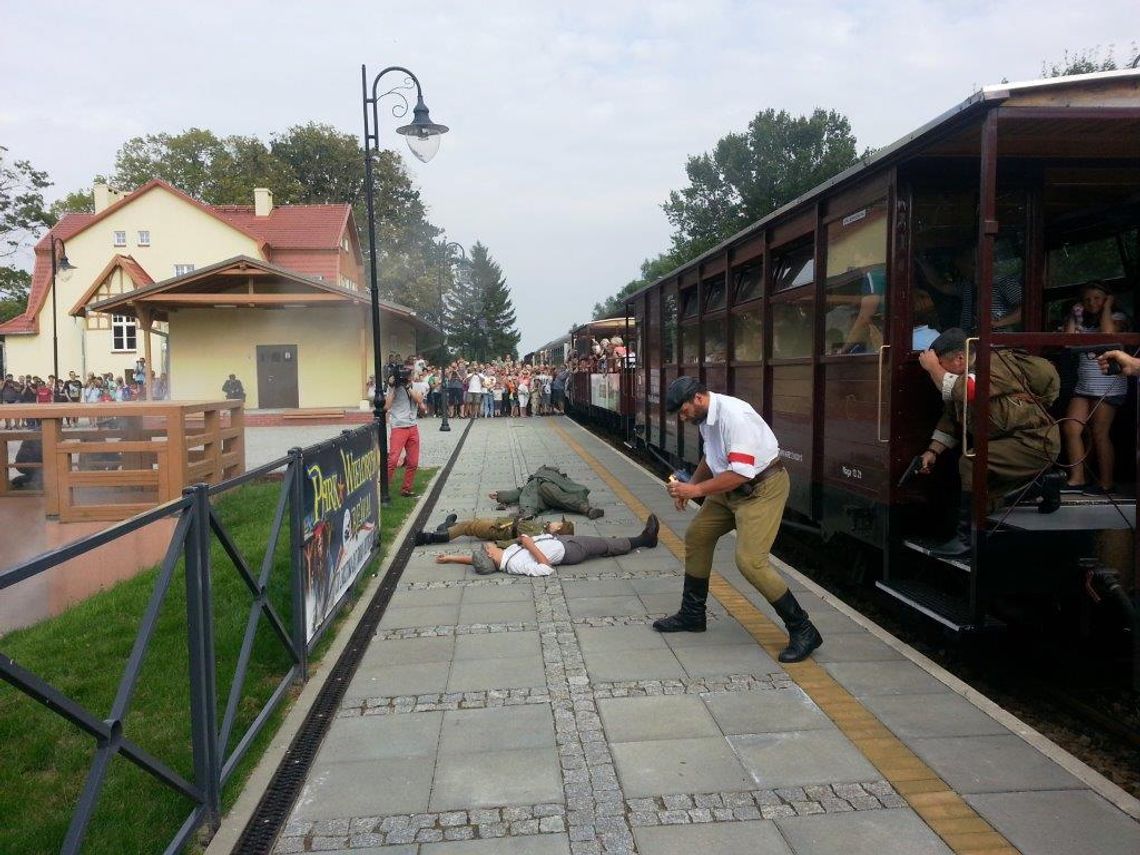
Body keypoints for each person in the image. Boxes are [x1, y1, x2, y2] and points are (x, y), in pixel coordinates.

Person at [655, 376, 821, 663]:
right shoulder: (707, 418)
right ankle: (693, 615)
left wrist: (696, 489)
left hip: (761, 489)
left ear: (697, 398)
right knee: (697, 535)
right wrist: (691, 487)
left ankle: (803, 629)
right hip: (729, 488)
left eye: (683, 411)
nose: (682, 418)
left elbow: (742, 472)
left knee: (750, 562)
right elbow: (712, 457)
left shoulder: (735, 417)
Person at [916, 328, 1061, 555]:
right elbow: (951, 420)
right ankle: (1044, 485)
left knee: (971, 461)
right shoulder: (964, 376)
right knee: (986, 501)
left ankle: (966, 539)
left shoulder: (992, 365)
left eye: (942, 364)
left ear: (960, 358)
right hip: (1011, 442)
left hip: (1034, 442)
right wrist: (932, 452)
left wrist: (932, 367)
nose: (939, 371)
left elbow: (969, 391)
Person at [1060, 282, 1128, 494]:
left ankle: (1106, 483)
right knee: (1071, 428)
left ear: (1107, 298)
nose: (1092, 303)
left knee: (1099, 432)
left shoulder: (1118, 318)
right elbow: (1068, 343)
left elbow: (1108, 336)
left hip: (1108, 384)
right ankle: (1077, 478)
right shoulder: (1083, 322)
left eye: (1098, 298)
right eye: (1087, 299)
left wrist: (1107, 307)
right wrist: (1073, 316)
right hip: (1085, 385)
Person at [435, 515, 660, 576]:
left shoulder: (504, 557)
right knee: (602, 545)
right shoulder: (515, 565)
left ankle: (625, 543)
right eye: (489, 550)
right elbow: (545, 568)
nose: (488, 547)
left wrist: (451, 558)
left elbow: (476, 560)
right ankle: (644, 540)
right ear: (493, 559)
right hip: (569, 550)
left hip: (560, 542)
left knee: (602, 545)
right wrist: (530, 544)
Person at [490, 464, 606, 519]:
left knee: (556, 496)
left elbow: (519, 492)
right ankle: (587, 510)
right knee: (558, 497)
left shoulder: (547, 479)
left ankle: (527, 513)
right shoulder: (536, 480)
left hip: (546, 492)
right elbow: (519, 491)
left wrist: (501, 495)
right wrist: (500, 495)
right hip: (543, 496)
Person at [386, 357, 424, 497]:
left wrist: (408, 386)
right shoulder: (394, 387)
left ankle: (406, 489)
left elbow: (419, 400)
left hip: (412, 426)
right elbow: (386, 406)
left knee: (413, 461)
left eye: (410, 372)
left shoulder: (416, 386)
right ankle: (385, 488)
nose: (408, 374)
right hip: (398, 426)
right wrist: (393, 387)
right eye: (407, 372)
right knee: (393, 460)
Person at [415, 512, 576, 545]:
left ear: (558, 529)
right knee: (473, 523)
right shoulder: (544, 529)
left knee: (468, 527)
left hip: (500, 529)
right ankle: (447, 527)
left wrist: (498, 545)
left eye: (558, 523)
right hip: (502, 524)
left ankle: (429, 538)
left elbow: (520, 540)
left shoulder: (539, 534)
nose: (555, 521)